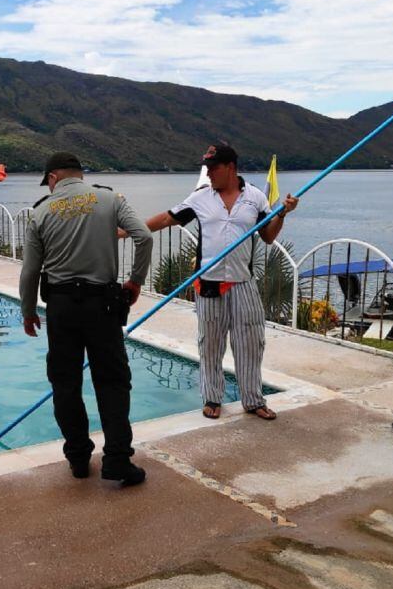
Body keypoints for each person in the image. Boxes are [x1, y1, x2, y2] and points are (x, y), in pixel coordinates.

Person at [19, 151, 154, 486]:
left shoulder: (40, 212)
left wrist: (27, 311)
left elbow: (30, 271)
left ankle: (78, 459)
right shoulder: (109, 199)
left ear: (52, 178)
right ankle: (118, 461)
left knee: (65, 384)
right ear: (79, 175)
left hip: (61, 307)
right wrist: (136, 279)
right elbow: (144, 236)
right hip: (103, 305)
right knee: (112, 382)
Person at [138, 143, 298, 420]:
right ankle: (212, 397)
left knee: (250, 342)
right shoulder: (200, 198)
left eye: (213, 168)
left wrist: (281, 213)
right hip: (209, 281)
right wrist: (129, 230)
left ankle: (253, 400)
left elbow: (268, 237)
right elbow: (168, 218)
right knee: (210, 343)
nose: (209, 173)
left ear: (230, 168)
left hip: (243, 282)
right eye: (207, 168)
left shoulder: (256, 198)